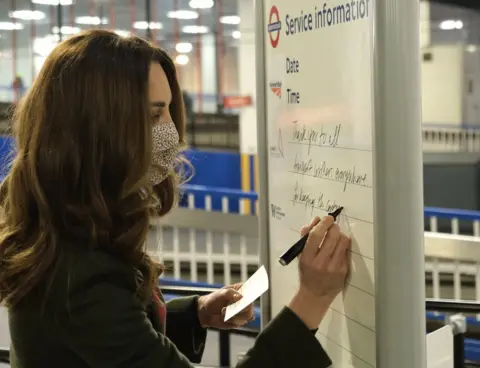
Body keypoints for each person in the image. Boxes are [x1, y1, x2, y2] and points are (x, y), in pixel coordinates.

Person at [0, 29, 351, 368]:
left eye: (168, 109)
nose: (172, 130)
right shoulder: (80, 280)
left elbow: (114, 344)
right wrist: (312, 299)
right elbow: (103, 319)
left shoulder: (68, 234)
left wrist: (195, 314)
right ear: (96, 132)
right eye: (154, 114)